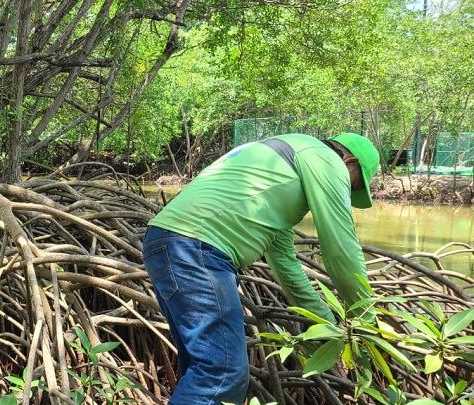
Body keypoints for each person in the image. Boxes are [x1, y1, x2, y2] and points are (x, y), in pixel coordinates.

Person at [143, 133, 379, 404]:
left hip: (165, 243)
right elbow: (341, 251)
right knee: (222, 372)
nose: (347, 193)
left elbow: (284, 264)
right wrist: (367, 321)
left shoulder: (282, 165)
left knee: (202, 368)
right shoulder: (325, 158)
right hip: (197, 250)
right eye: (355, 185)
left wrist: (326, 323)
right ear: (350, 160)